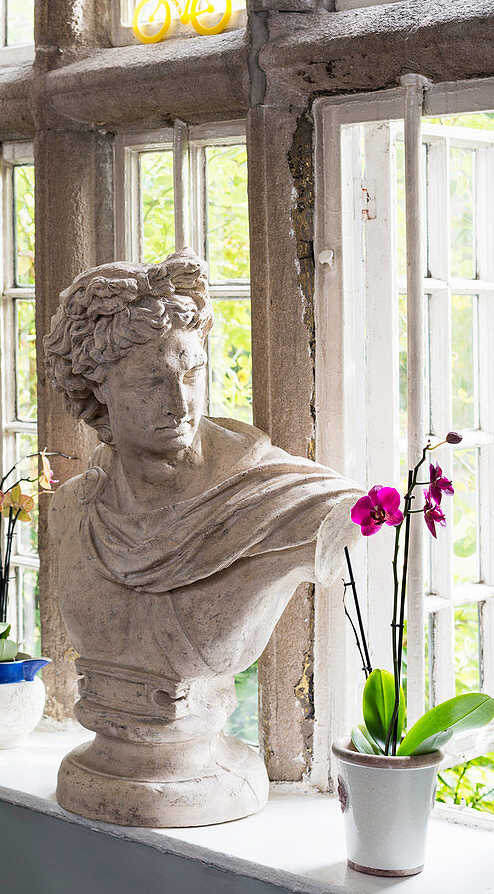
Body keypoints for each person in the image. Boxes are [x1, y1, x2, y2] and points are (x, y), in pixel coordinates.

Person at [44, 249, 363, 827]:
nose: (180, 402)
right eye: (149, 381)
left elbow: (360, 519)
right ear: (99, 390)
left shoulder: (279, 501)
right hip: (106, 768)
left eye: (191, 372)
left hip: (210, 772)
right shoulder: (74, 510)